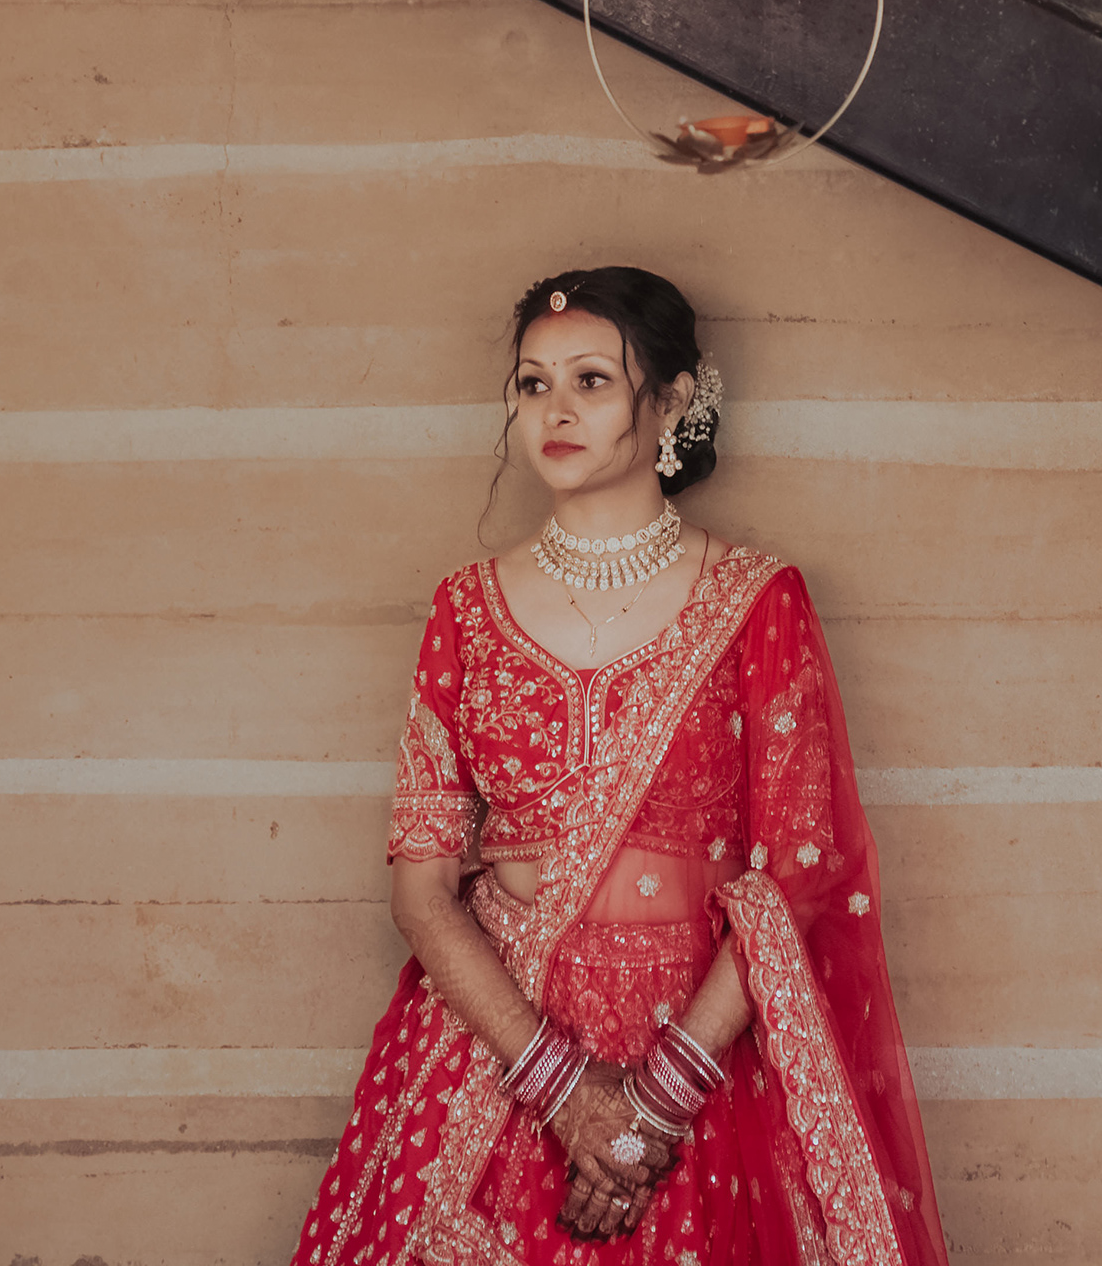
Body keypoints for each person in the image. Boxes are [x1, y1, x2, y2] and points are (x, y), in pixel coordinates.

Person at [289, 267, 949, 1266]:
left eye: (591, 381)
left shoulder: (754, 601)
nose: (554, 411)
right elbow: (421, 894)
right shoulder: (465, 608)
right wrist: (564, 1091)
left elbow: (798, 873)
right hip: (494, 1053)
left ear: (673, 401)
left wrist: (655, 1100)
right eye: (533, 383)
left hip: (696, 1057)